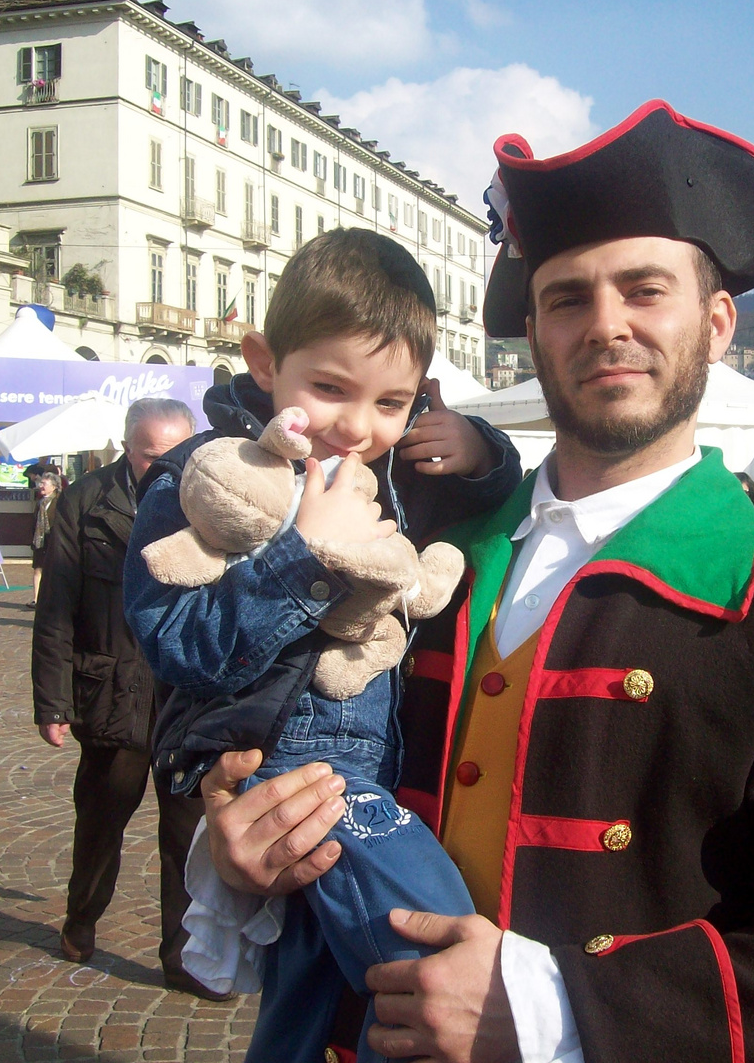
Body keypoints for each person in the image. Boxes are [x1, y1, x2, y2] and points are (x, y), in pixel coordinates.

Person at [190, 102, 754, 1063]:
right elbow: (266, 730)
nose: (607, 326)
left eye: (645, 289)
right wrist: (243, 851)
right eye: (569, 298)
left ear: (715, 323)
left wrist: (554, 1007)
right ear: (532, 331)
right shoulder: (414, 551)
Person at [125, 227, 523, 1056]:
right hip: (291, 765)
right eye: (331, 387)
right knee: (432, 950)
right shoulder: (208, 475)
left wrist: (483, 446)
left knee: (306, 999)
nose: (358, 426)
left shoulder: (380, 470)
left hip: (363, 757)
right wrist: (304, 556)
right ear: (265, 363)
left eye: (391, 404)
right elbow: (174, 647)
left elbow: (485, 489)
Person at [31, 398, 222, 998]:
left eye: (176, 453)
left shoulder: (214, 498)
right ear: (126, 446)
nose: (163, 465)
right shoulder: (86, 500)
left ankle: (184, 958)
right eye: (150, 455)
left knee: (187, 838)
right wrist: (51, 701)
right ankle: (81, 919)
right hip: (112, 690)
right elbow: (56, 606)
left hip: (187, 699)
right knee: (100, 821)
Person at [29, 472, 59, 610]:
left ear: (53, 487)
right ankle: (36, 599)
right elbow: (34, 522)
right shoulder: (39, 503)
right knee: (38, 569)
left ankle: (52, 599)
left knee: (53, 571)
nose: (41, 486)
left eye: (44, 484)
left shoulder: (59, 501)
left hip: (53, 540)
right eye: (40, 483)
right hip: (39, 541)